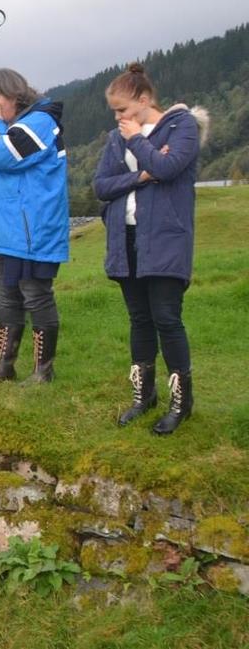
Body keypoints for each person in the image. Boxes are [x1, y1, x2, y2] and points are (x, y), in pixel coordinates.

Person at [93, 63, 208, 435]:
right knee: (139, 319)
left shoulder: (182, 126)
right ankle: (144, 396)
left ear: (144, 100)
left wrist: (137, 143)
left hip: (165, 237)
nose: (118, 117)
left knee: (166, 318)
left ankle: (181, 402)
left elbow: (169, 166)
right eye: (114, 111)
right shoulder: (117, 137)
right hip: (125, 238)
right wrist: (141, 176)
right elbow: (102, 186)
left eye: (123, 110)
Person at [0, 68, 69, 383]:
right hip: (0, 230)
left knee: (35, 295)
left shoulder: (40, 122)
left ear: (13, 96)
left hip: (29, 229)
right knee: (5, 297)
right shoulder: (9, 128)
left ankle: (42, 371)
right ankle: (4, 366)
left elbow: (7, 157)